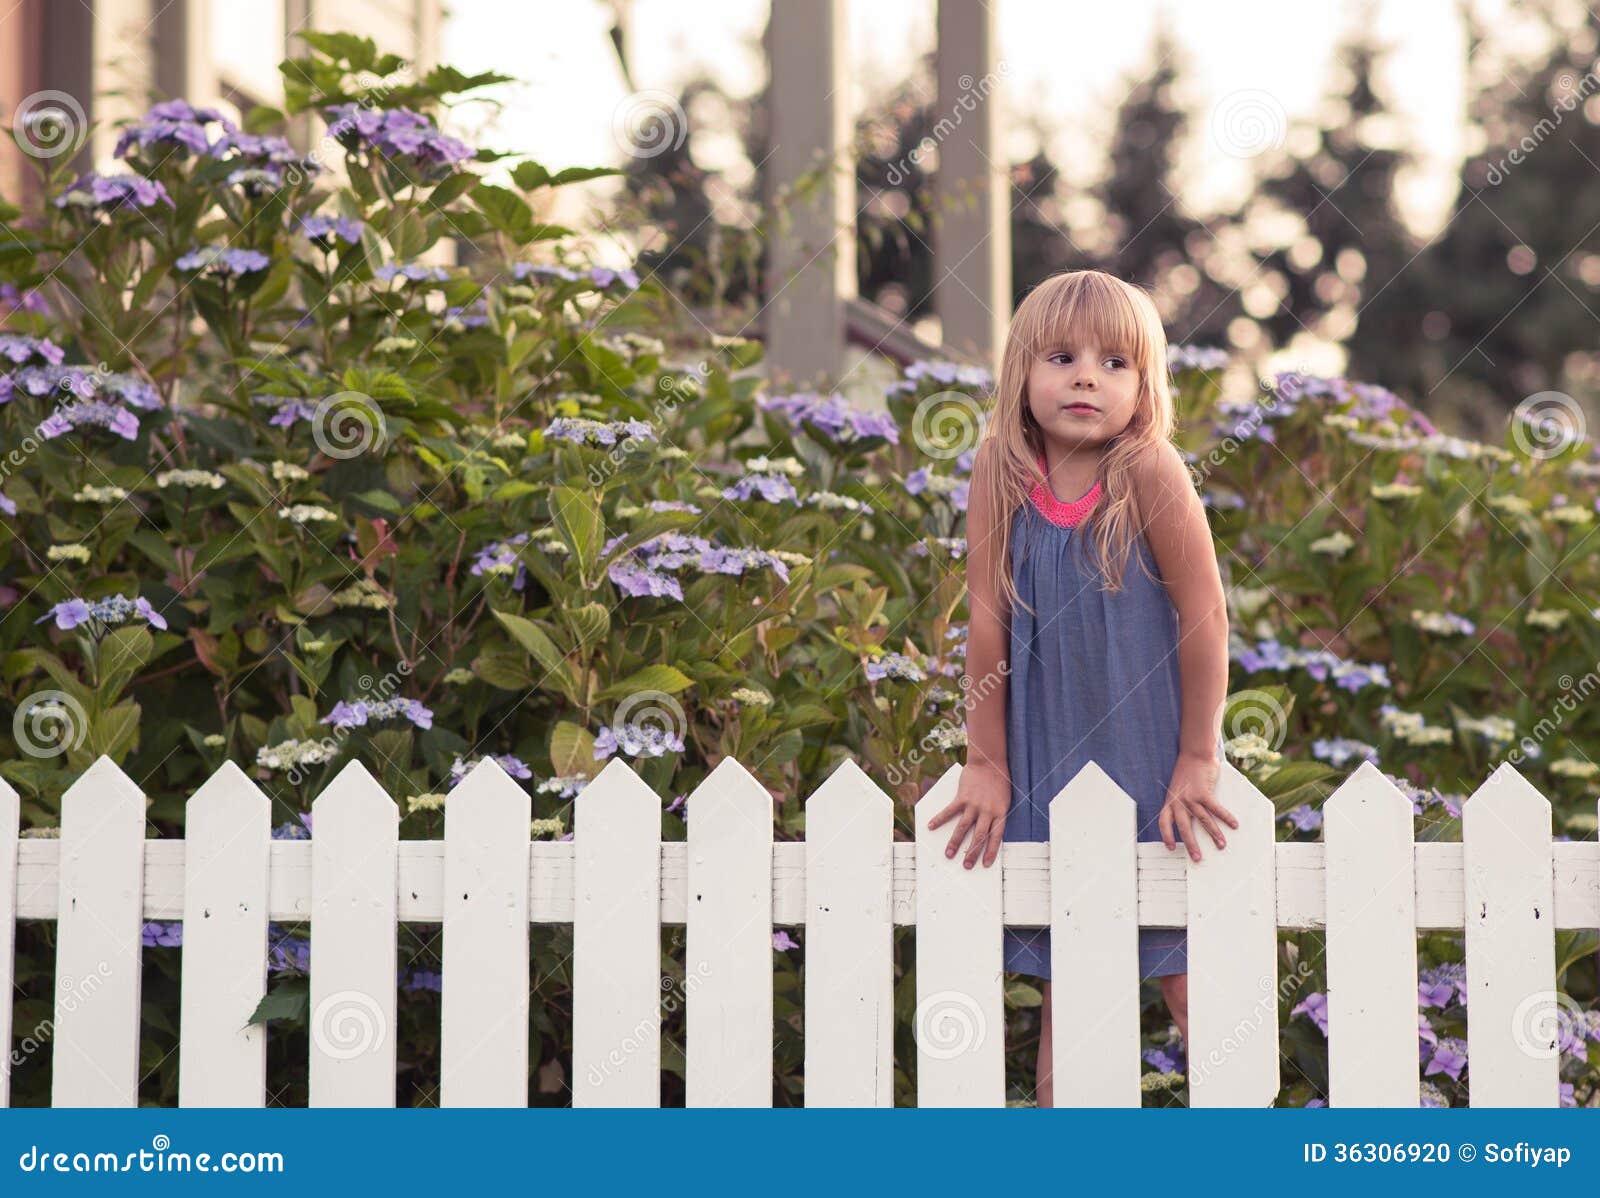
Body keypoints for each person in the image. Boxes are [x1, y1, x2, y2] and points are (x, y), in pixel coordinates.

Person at [926, 268, 1238, 1107]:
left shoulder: (1148, 470)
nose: (1086, 377)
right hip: (1046, 758)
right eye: (1061, 357)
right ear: (1022, 374)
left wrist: (1198, 756)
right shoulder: (1000, 467)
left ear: (1145, 387)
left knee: (1185, 981)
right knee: (1072, 982)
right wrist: (987, 762)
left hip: (1147, 758)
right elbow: (987, 622)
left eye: (1114, 363)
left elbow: (1205, 615)